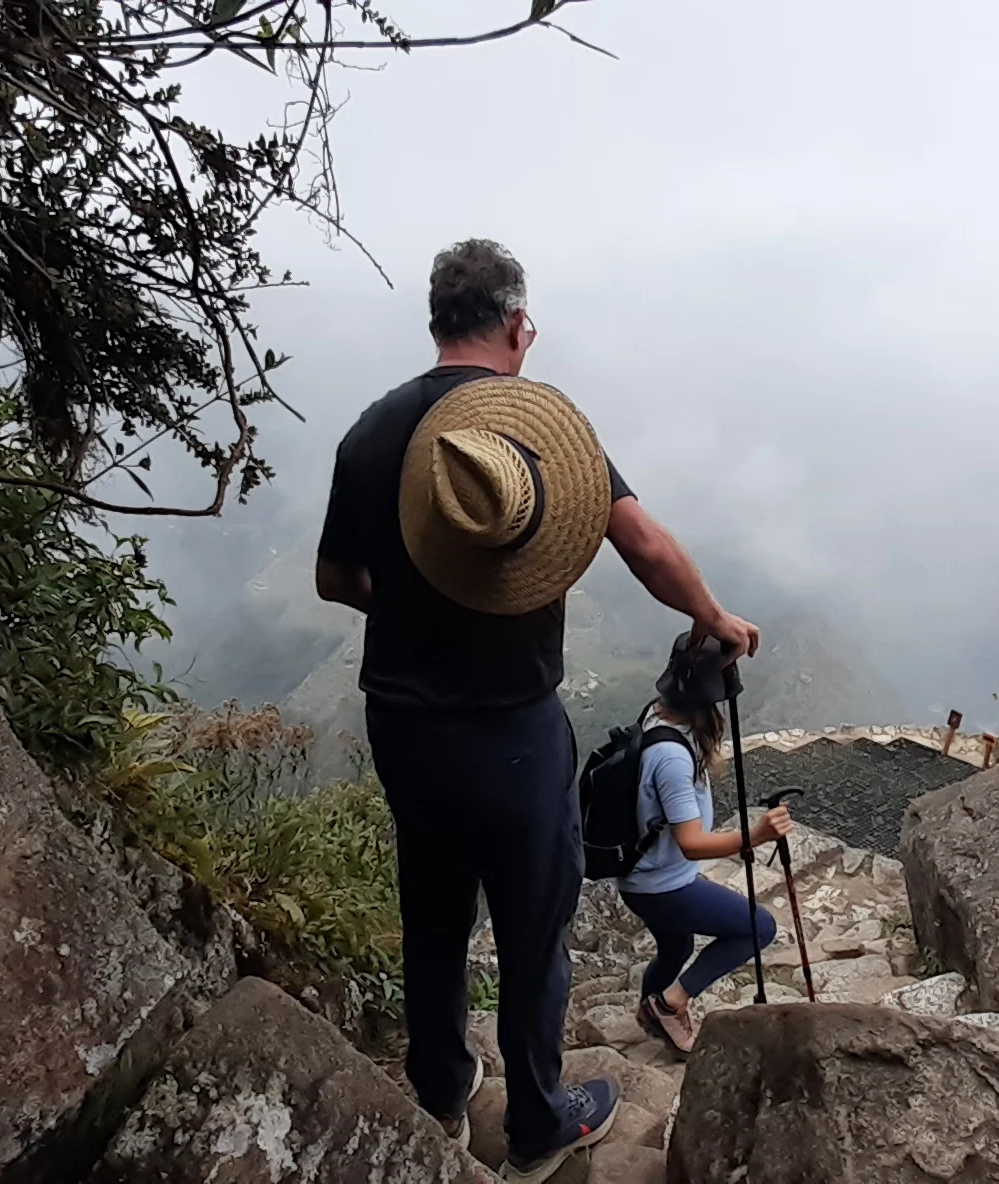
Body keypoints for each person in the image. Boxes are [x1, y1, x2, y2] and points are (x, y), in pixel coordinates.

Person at [314, 239, 761, 1181]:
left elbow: (333, 578)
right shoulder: (537, 429)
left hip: (403, 723)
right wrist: (711, 615)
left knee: (432, 911)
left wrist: (410, 601)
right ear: (520, 328)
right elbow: (641, 545)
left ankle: (438, 1092)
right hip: (513, 731)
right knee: (532, 926)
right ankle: (538, 1121)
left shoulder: (370, 434)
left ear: (437, 323)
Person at [619, 635, 794, 1055]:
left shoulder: (655, 714)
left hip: (639, 876)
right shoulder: (673, 758)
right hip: (662, 885)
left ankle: (652, 1014)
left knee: (676, 946)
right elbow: (691, 844)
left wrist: (727, 650)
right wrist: (756, 836)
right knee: (758, 927)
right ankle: (669, 1003)